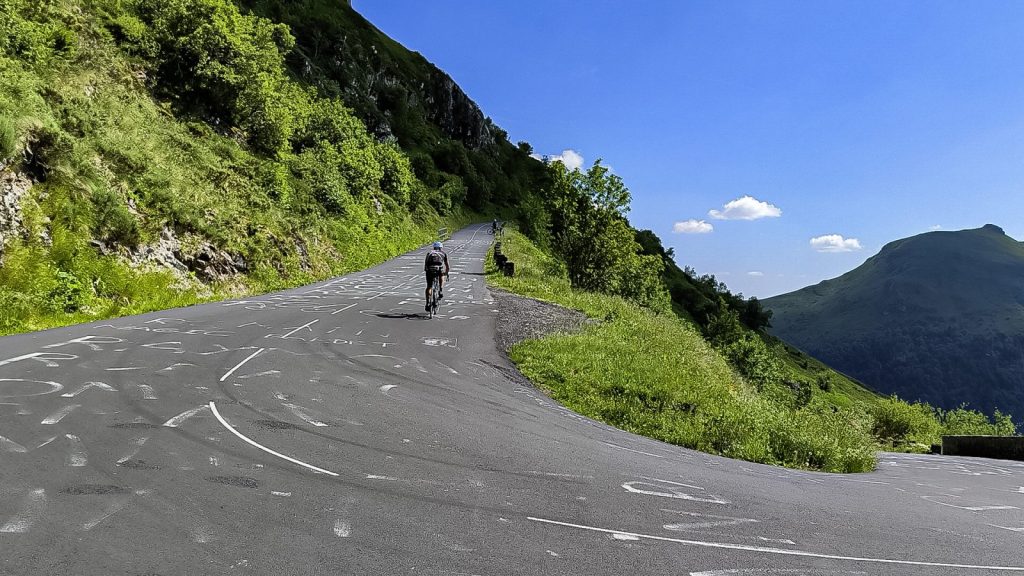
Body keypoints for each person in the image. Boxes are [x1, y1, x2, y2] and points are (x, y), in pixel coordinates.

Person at [424, 240, 450, 311]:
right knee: (441, 275)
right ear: (441, 248)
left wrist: (427, 271)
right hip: (439, 269)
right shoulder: (443, 253)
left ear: (434, 248)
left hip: (430, 269)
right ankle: (441, 289)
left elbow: (426, 264)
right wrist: (446, 273)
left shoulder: (429, 253)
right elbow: (447, 265)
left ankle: (428, 303)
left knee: (429, 286)